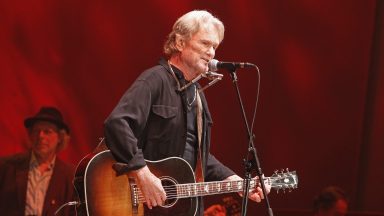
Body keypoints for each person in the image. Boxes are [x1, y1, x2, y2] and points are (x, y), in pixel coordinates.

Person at [104, 10, 269, 215]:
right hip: (143, 207)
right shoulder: (155, 79)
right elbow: (117, 123)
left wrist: (234, 181)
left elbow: (198, 156)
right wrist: (142, 173)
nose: (211, 53)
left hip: (184, 208)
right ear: (180, 43)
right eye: (205, 44)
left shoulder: (198, 95)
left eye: (215, 47)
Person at [0, 106, 75, 216]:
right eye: (36, 131)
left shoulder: (70, 175)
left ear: (60, 137)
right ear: (30, 135)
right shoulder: (7, 167)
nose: (40, 136)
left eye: (47, 131)